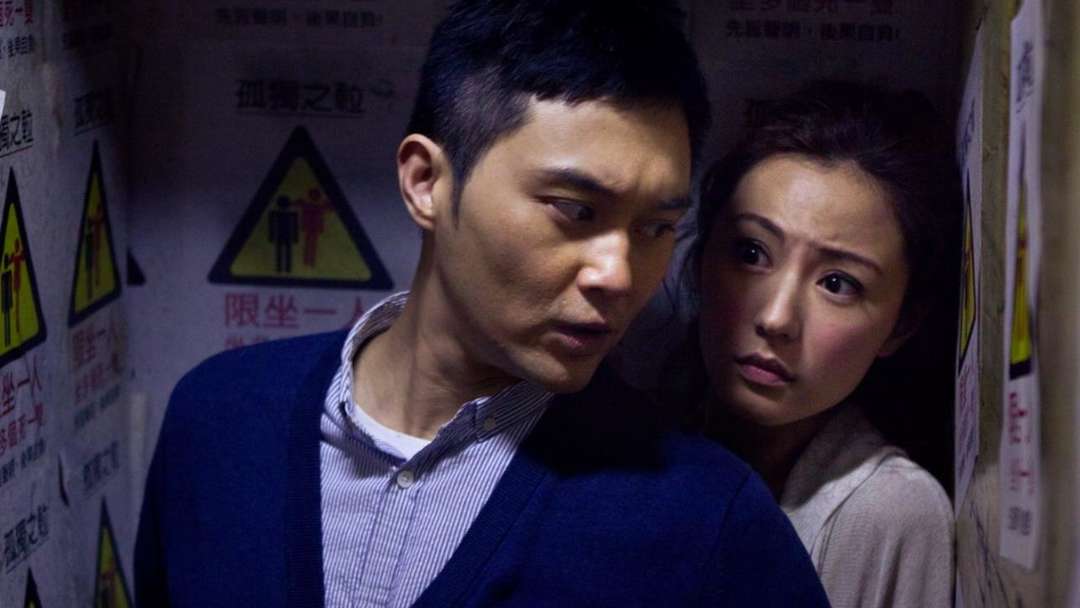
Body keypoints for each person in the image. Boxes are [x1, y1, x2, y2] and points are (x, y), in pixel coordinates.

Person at [134, 2, 829, 606]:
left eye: (655, 228)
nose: (618, 275)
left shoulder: (708, 523)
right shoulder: (218, 422)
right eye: (574, 210)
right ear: (426, 182)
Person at [687, 81, 957, 607]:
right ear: (700, 259)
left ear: (901, 324)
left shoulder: (889, 512)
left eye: (837, 283)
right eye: (751, 252)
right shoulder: (625, 443)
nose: (776, 318)